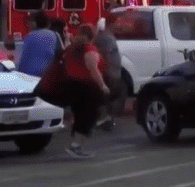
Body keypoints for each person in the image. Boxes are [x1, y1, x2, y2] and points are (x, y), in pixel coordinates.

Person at [64, 24, 111, 158]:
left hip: (73, 85)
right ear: (93, 35)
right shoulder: (89, 50)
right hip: (87, 87)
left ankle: (76, 144)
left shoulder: (72, 48)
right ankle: (76, 146)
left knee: (81, 116)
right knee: (88, 117)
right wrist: (103, 86)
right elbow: (93, 70)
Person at [94, 15, 124, 131]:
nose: (119, 25)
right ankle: (105, 119)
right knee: (107, 96)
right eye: (118, 22)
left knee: (110, 96)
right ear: (112, 24)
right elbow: (103, 55)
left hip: (112, 71)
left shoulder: (108, 36)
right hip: (109, 71)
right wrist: (106, 69)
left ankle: (107, 119)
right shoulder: (105, 37)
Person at [17, 11, 62, 77]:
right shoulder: (54, 35)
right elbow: (60, 54)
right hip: (46, 75)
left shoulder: (28, 37)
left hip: (27, 75)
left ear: (35, 23)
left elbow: (21, 57)